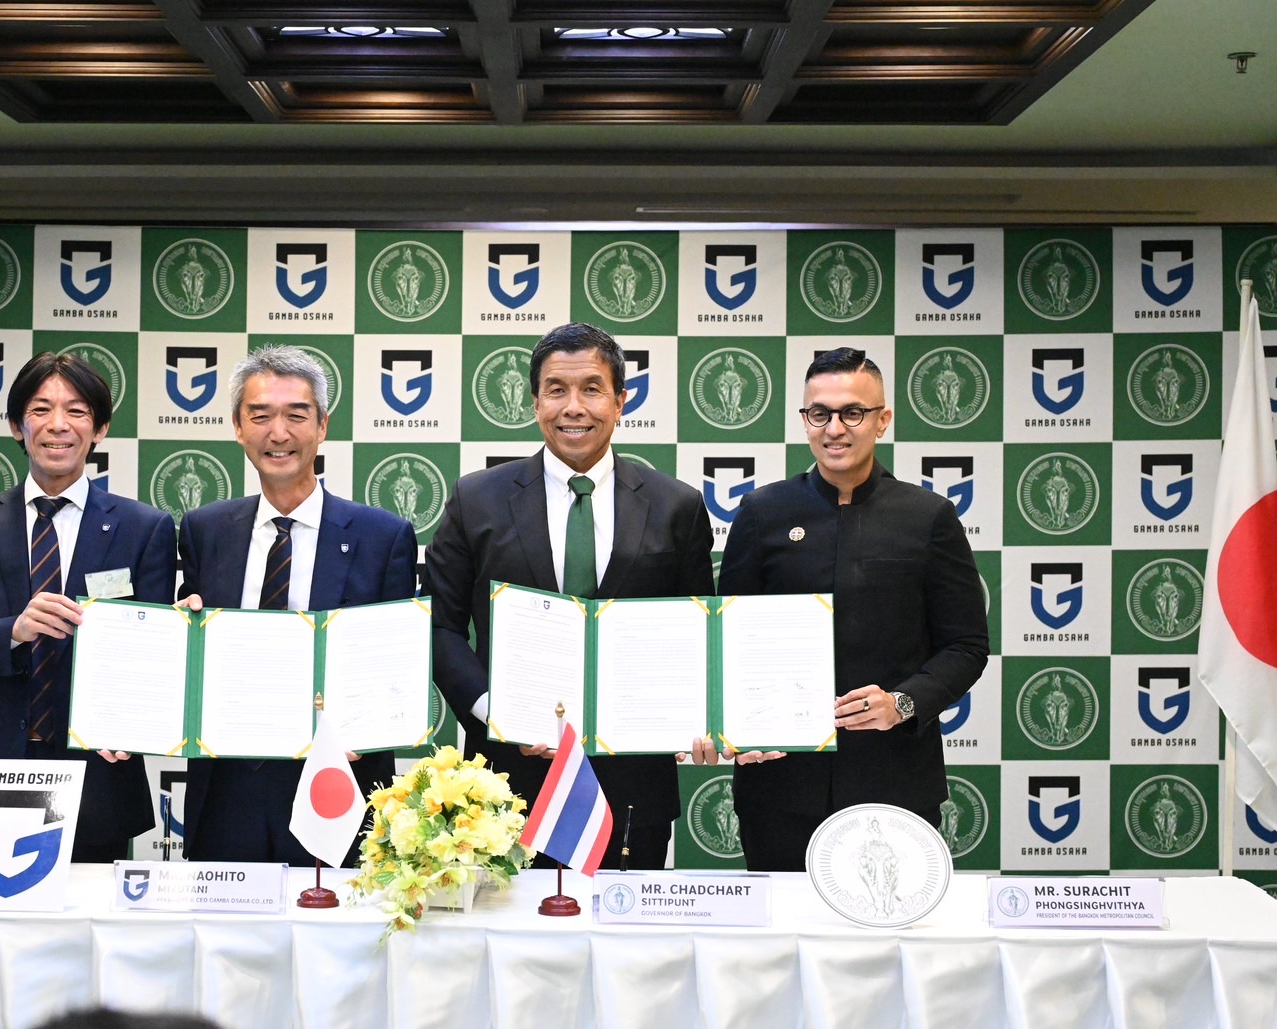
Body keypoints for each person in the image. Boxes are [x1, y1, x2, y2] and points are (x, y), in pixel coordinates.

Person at [424, 322, 717, 869]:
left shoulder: (676, 505)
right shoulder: (477, 499)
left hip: (633, 785)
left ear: (621, 401)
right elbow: (438, 625)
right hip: (503, 790)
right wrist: (496, 715)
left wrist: (698, 714)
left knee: (626, 923)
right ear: (535, 402)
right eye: (556, 390)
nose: (573, 407)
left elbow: (698, 634)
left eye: (592, 389)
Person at [718, 346, 989, 871]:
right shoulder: (761, 513)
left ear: (882, 420)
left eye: (853, 413)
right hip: (779, 785)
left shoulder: (928, 516)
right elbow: (729, 639)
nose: (835, 429)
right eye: (819, 413)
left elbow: (966, 646)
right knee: (783, 923)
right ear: (805, 420)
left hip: (895, 782)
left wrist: (903, 703)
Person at [0, 352, 176, 862]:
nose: (58, 425)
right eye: (41, 409)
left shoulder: (145, 529)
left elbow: (154, 660)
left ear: (100, 429)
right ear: (17, 425)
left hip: (97, 780)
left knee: (88, 916)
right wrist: (12, 631)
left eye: (77, 411)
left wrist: (135, 718)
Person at [177, 346, 417, 864]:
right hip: (227, 790)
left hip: (338, 785)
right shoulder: (205, 530)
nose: (278, 433)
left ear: (323, 426)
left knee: (339, 918)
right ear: (238, 427)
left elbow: (399, 663)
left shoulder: (383, 537)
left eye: (296, 415)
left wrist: (370, 727)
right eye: (260, 416)